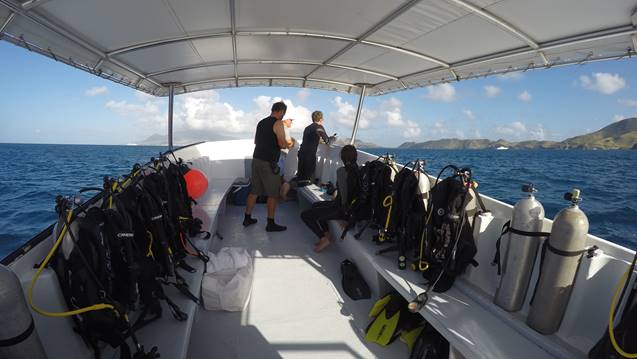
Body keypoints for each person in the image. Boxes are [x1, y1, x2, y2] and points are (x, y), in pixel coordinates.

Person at [244, 101, 295, 232]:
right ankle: (270, 224)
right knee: (273, 194)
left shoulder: (261, 122)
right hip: (268, 163)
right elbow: (283, 144)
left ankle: (247, 218)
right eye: (283, 113)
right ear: (281, 112)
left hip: (256, 160)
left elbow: (255, 141)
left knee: (254, 191)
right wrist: (291, 142)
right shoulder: (278, 123)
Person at [301, 145, 359, 252]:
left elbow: (344, 197)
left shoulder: (342, 171)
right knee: (316, 205)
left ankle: (323, 239)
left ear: (342, 158)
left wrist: (348, 219)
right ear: (356, 157)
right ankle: (327, 235)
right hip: (349, 209)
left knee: (305, 215)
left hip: (341, 209)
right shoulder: (359, 171)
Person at [296, 111, 330, 184]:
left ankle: (289, 189)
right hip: (309, 156)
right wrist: (334, 138)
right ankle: (287, 188)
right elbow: (328, 141)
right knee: (308, 180)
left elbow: (309, 139)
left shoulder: (307, 128)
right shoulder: (319, 127)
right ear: (320, 119)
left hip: (301, 154)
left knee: (300, 177)